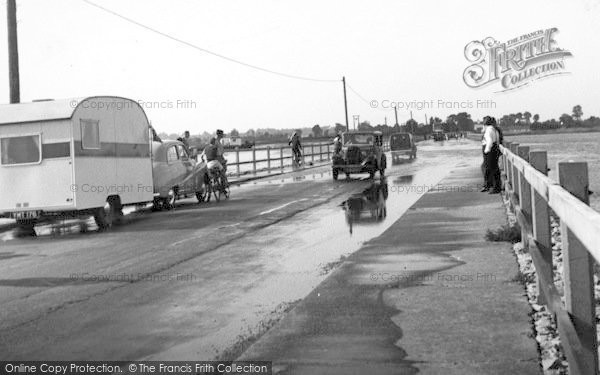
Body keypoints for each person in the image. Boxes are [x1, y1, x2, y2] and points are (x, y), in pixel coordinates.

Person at [481, 116, 501, 194]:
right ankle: (494, 186)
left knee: (491, 168)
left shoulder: (488, 130)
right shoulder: (494, 129)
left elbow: (489, 141)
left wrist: (487, 150)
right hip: (495, 148)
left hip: (490, 150)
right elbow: (497, 140)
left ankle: (494, 187)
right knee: (495, 168)